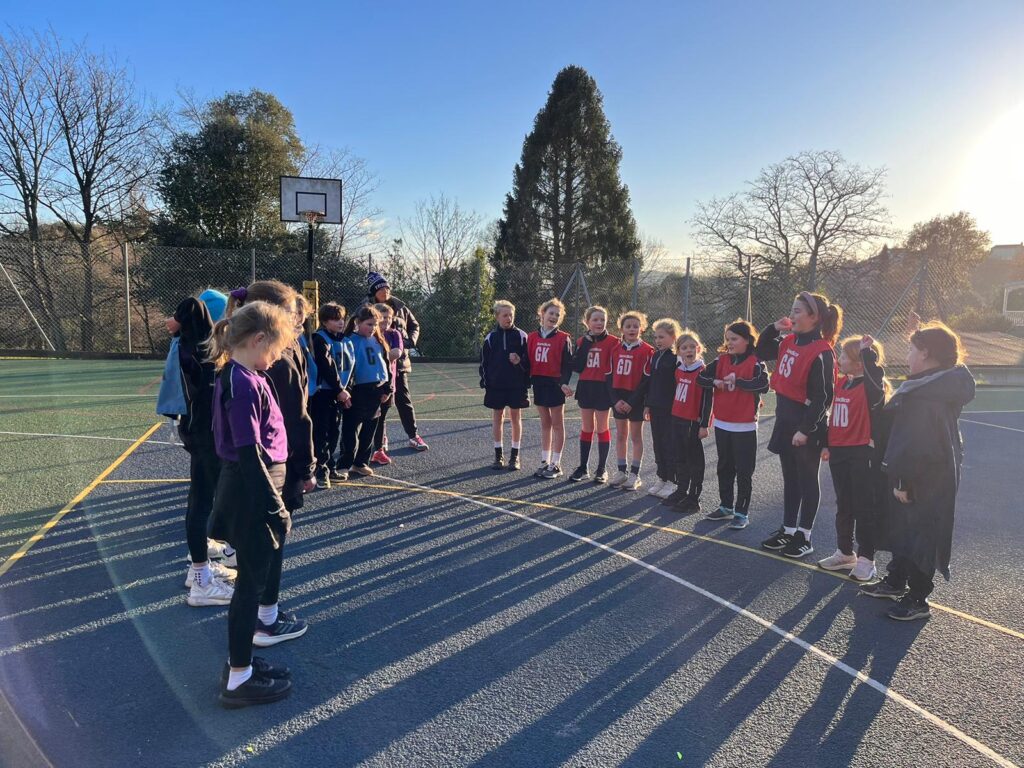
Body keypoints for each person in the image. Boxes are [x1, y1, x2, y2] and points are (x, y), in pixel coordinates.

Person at [207, 301, 295, 708]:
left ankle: (241, 663)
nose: (276, 357)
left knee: (252, 582)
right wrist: (273, 507)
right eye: (275, 348)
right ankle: (239, 678)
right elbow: (248, 453)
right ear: (258, 339)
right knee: (249, 586)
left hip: (253, 486)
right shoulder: (241, 383)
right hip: (251, 491)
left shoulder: (244, 375)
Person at [860, 322, 975, 621]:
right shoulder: (931, 383)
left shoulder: (927, 394)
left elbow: (917, 444)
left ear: (925, 353)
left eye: (912, 349)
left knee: (920, 531)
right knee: (903, 527)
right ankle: (897, 579)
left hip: (925, 476)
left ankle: (918, 597)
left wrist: (903, 480)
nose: (908, 355)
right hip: (926, 471)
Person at [226, 282, 314, 648]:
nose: (298, 323)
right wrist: (306, 466)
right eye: (295, 315)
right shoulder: (276, 358)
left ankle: (261, 621)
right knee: (271, 542)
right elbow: (295, 416)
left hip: (263, 467)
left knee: (262, 546)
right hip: (275, 466)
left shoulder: (240, 364)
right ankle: (266, 620)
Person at [755, 292, 841, 559]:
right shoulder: (789, 341)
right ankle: (789, 529)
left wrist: (805, 429)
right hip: (785, 418)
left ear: (814, 317)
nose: (792, 315)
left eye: (797, 311)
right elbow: (760, 351)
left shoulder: (822, 352)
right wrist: (772, 329)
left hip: (807, 425)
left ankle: (805, 535)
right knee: (790, 478)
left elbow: (823, 397)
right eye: (792, 310)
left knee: (806, 479)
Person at [166, 291, 237, 607]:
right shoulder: (202, 348)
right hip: (207, 435)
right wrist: (181, 315)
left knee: (201, 501)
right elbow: (194, 304)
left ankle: (199, 573)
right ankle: (202, 580)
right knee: (208, 501)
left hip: (199, 432)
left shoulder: (189, 346)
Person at [818, 335, 889, 580]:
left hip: (861, 452)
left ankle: (867, 559)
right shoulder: (842, 384)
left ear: (860, 363)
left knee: (863, 507)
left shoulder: (870, 388)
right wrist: (827, 443)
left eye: (845, 355)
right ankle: (845, 552)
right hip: (839, 451)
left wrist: (867, 354)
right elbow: (832, 416)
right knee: (844, 504)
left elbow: (875, 380)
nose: (840, 359)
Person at [697, 320, 770, 530]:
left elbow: (763, 385)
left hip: (745, 426)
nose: (729, 343)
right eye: (727, 339)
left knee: (744, 471)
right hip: (722, 424)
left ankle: (741, 512)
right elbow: (700, 378)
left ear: (747, 340)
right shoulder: (721, 360)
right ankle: (726, 506)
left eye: (734, 339)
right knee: (724, 467)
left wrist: (736, 380)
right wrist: (715, 382)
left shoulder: (756, 362)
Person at [363, 271, 428, 451]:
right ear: (374, 292)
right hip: (375, 366)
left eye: (387, 288)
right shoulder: (367, 308)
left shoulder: (401, 307)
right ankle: (380, 439)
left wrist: (409, 342)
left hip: (399, 364)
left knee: (404, 400)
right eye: (381, 289)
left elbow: (414, 325)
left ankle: (413, 436)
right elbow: (357, 327)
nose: (385, 291)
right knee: (380, 404)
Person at [337, 305, 393, 478]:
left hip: (375, 391)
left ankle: (360, 462)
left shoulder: (378, 341)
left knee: (369, 428)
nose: (373, 328)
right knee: (350, 429)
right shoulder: (348, 341)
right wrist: (344, 390)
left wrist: (387, 388)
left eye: (375, 325)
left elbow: (385, 366)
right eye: (369, 324)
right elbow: (344, 369)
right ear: (357, 323)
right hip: (357, 391)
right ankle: (345, 463)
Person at [662, 330, 713, 512]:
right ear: (679, 351)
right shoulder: (679, 370)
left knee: (694, 461)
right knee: (680, 457)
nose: (689, 350)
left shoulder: (703, 371)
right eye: (684, 347)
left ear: (699, 349)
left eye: (692, 346)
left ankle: (694, 497)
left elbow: (708, 400)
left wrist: (704, 424)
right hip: (678, 418)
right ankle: (681, 491)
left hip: (693, 422)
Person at [569, 306, 619, 483]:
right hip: (586, 387)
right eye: (595, 320)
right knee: (587, 427)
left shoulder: (614, 342)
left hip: (603, 389)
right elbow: (577, 366)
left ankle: (601, 469)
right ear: (587, 322)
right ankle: (583, 468)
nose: (599, 323)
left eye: (602, 320)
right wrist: (588, 343)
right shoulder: (583, 341)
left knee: (602, 427)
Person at [606, 311, 655, 491]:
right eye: (628, 326)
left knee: (635, 436)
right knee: (620, 435)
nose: (632, 329)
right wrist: (615, 400)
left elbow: (646, 380)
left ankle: (635, 474)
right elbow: (609, 377)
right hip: (619, 399)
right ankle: (621, 471)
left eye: (636, 326)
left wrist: (632, 402)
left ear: (641, 328)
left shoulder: (647, 351)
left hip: (636, 399)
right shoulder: (615, 350)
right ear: (622, 329)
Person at [479, 300, 530, 470]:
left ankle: (515, 456)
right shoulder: (490, 338)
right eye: (505, 315)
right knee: (497, 417)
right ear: (497, 317)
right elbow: (484, 363)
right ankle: (498, 455)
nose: (509, 318)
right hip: (497, 386)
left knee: (516, 417)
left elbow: (529, 363)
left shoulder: (522, 336)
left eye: (511, 315)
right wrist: (487, 383)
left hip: (516, 385)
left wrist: (519, 362)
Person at [526, 298, 574, 478]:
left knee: (557, 424)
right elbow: (526, 361)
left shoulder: (563, 338)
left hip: (555, 384)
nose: (554, 316)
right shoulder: (531, 337)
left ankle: (556, 463)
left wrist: (564, 383)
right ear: (542, 314)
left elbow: (567, 364)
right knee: (545, 423)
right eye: (551, 313)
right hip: (539, 383)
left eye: (557, 314)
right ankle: (544, 461)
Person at [642, 318, 682, 500]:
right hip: (656, 407)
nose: (657, 340)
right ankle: (662, 477)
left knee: (669, 444)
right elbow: (651, 383)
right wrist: (647, 404)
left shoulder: (677, 358)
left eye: (662, 337)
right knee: (658, 443)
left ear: (673, 337)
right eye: (656, 337)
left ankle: (673, 481)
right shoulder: (656, 356)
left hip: (670, 409)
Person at [310, 302, 349, 487]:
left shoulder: (341, 339)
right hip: (323, 393)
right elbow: (327, 368)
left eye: (341, 318)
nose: (340, 322)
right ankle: (320, 470)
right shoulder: (320, 339)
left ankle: (331, 467)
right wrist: (339, 389)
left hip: (336, 392)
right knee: (322, 432)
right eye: (335, 319)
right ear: (325, 321)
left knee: (334, 431)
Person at [371, 303, 405, 466]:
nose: (387, 320)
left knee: (381, 416)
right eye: (384, 317)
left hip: (387, 383)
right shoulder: (370, 334)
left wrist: (379, 356)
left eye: (390, 317)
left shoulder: (394, 334)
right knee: (366, 417)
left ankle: (378, 450)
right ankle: (362, 449)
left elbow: (396, 353)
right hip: (369, 384)